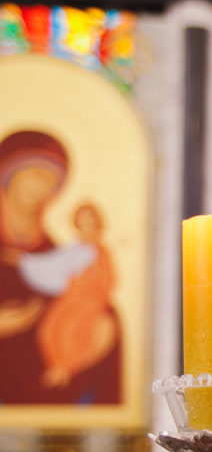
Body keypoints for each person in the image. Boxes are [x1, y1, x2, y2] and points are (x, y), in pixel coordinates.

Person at [0, 130, 121, 405]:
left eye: (53, 182)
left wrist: (90, 344)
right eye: (36, 174)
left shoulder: (59, 256)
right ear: (7, 174)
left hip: (56, 393)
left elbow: (97, 316)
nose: (43, 188)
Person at [36, 203, 119, 390]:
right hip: (70, 295)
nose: (86, 225)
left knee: (69, 327)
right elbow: (57, 270)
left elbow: (109, 279)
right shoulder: (74, 249)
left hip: (91, 298)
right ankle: (55, 365)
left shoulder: (100, 250)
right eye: (82, 221)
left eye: (89, 220)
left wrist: (100, 299)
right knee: (47, 329)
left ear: (97, 223)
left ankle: (67, 366)